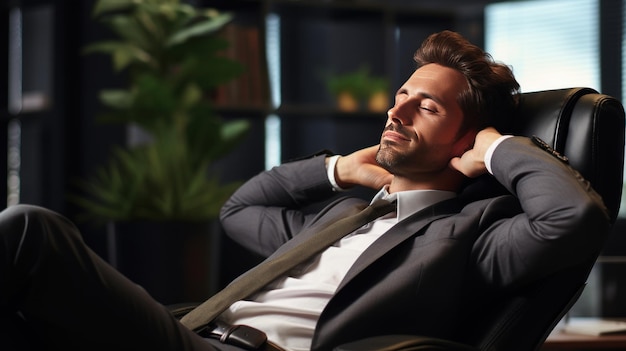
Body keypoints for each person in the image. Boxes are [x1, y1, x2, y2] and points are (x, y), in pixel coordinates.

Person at [0, 30, 609, 351]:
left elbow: (572, 217)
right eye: (400, 97)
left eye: (425, 108)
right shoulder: (341, 216)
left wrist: (499, 149)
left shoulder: (467, 237)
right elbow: (240, 208)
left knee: (31, 231)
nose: (397, 114)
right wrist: (341, 169)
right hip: (188, 332)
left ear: (464, 140)